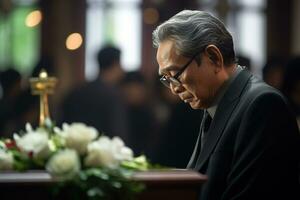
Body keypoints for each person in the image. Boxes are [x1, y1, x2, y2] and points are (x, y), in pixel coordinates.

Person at [152, 10, 300, 200]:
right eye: (167, 79)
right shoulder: (217, 101)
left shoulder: (263, 105)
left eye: (176, 74)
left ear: (214, 57)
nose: (174, 88)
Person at [61, 45, 128, 141]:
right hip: (105, 152)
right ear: (115, 64)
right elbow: (117, 133)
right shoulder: (113, 96)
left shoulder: (77, 91)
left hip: (76, 149)